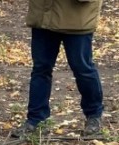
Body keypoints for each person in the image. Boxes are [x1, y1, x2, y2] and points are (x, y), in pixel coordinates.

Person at [12, 0, 104, 137]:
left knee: (82, 69)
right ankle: (36, 119)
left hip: (77, 19)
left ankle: (94, 116)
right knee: (40, 69)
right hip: (43, 17)